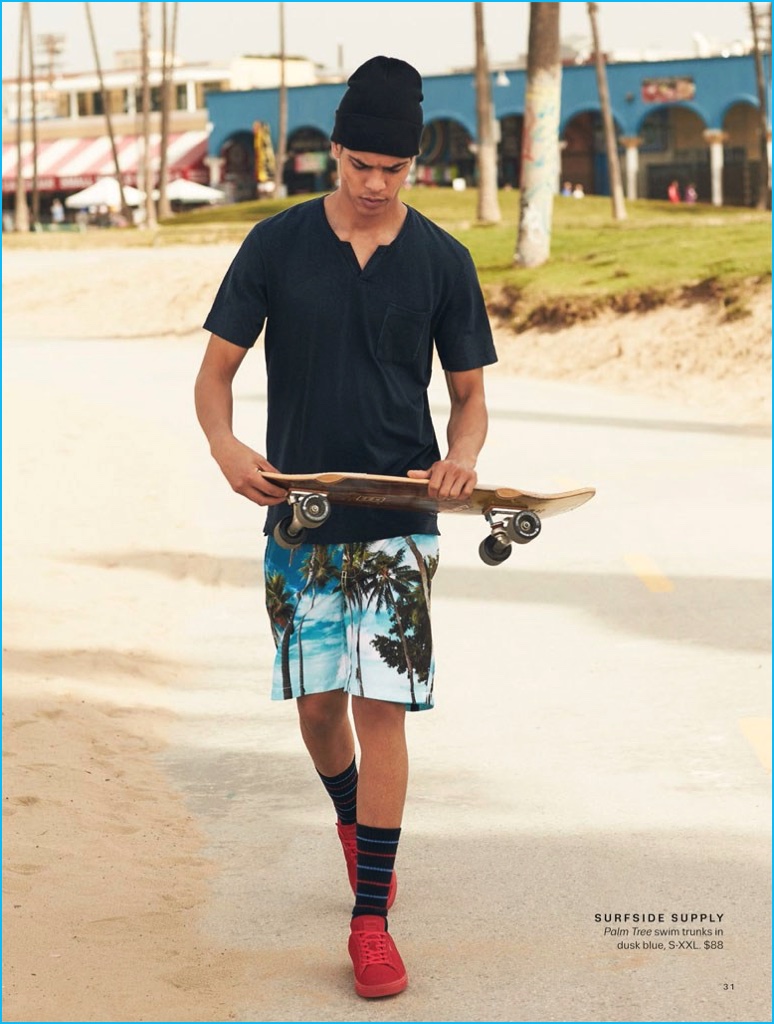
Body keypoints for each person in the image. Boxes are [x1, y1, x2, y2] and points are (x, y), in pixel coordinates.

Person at [194, 55, 497, 1000]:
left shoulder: (445, 259)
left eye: (393, 169)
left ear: (416, 165)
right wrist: (227, 449)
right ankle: (353, 822)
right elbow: (213, 379)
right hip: (303, 514)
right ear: (334, 153)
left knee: (382, 707)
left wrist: (462, 461)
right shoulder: (276, 246)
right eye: (360, 164)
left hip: (401, 521)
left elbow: (471, 398)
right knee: (320, 709)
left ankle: (371, 915)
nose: (374, 185)